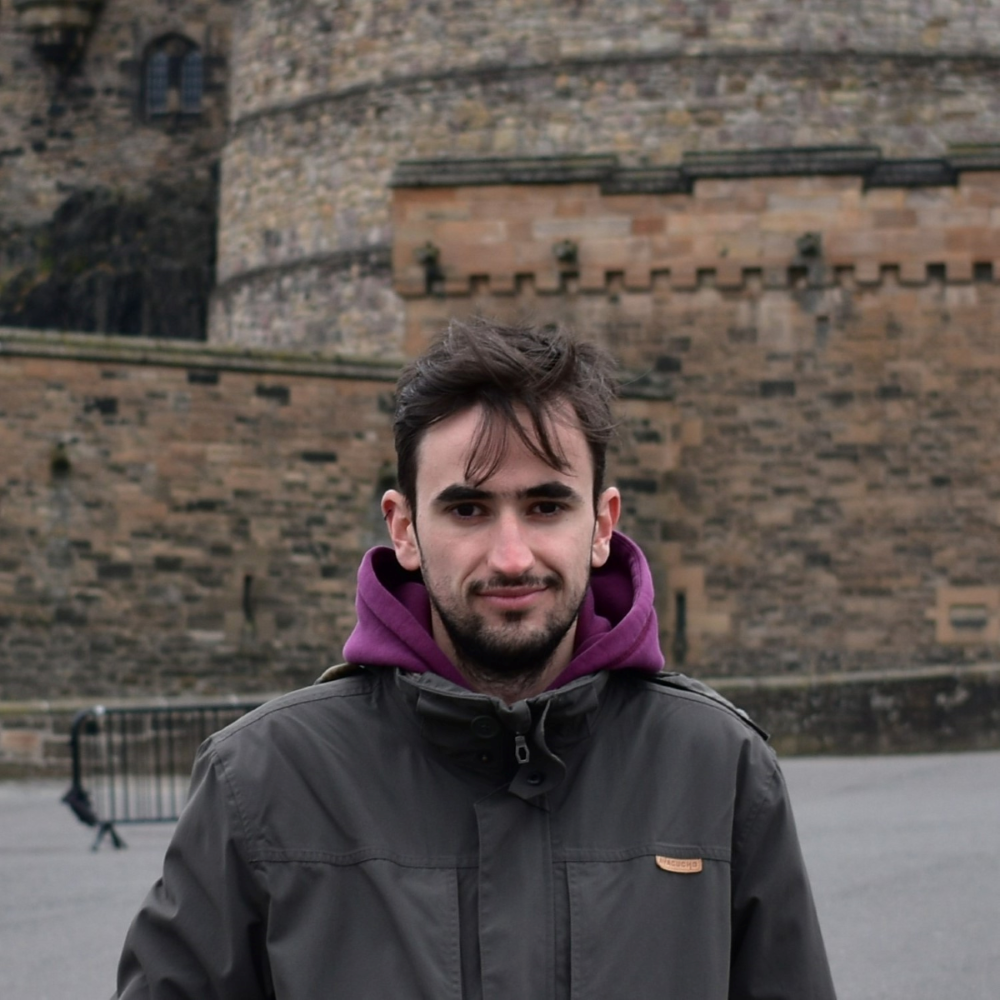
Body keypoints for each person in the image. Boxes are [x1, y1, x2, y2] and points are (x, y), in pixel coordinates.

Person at [115, 318, 837, 999]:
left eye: (548, 506)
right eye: (468, 509)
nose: (511, 555)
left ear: (602, 524)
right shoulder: (261, 781)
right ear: (403, 528)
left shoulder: (720, 769)